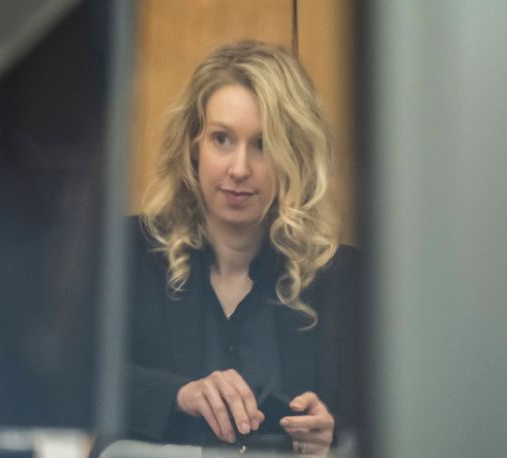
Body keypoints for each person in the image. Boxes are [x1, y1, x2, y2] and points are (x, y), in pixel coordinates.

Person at [126, 41, 359, 456]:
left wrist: (335, 439)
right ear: (193, 146)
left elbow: (396, 420)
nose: (239, 168)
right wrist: (180, 395)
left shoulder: (347, 280)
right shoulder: (127, 254)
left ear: (294, 156)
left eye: (263, 145)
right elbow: (73, 383)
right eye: (221, 139)